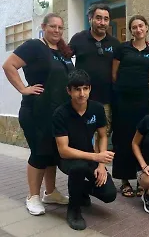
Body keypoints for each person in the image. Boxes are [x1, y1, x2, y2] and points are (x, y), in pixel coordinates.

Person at [2, 13, 73, 215]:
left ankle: (50, 192)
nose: (57, 31)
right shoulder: (34, 46)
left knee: (52, 152)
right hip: (36, 111)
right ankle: (32, 196)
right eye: (53, 27)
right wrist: (24, 88)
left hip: (56, 112)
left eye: (60, 27)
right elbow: (9, 65)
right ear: (44, 27)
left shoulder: (61, 51)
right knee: (40, 152)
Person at [53, 69, 117, 231]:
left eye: (85, 88)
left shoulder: (96, 109)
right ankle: (74, 210)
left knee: (109, 194)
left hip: (90, 158)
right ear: (69, 91)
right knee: (79, 167)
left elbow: (102, 136)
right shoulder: (61, 114)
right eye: (77, 89)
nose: (82, 94)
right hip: (68, 160)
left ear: (90, 89)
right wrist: (96, 157)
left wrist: (101, 165)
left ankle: (79, 190)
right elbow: (63, 151)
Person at [112, 15, 149, 197]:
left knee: (142, 139)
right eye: (134, 27)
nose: (138, 30)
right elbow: (114, 74)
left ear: (146, 28)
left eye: (141, 26)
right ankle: (124, 180)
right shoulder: (122, 49)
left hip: (142, 102)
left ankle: (141, 179)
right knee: (123, 138)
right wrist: (124, 91)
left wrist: (143, 91)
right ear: (131, 31)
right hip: (123, 101)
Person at [69, 3, 120, 144]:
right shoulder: (78, 39)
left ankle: (100, 165)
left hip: (106, 99)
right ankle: (84, 164)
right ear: (90, 18)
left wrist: (147, 46)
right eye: (98, 18)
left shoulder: (115, 43)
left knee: (103, 134)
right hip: (82, 98)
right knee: (80, 134)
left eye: (106, 19)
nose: (102, 23)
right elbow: (64, 58)